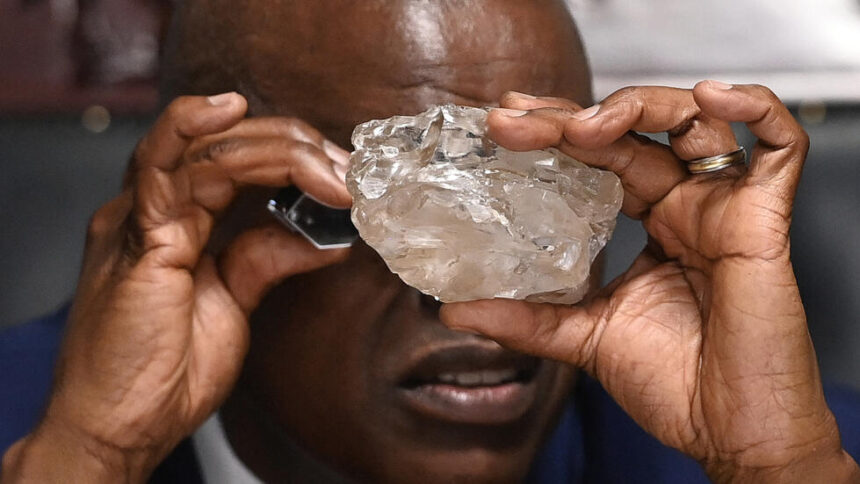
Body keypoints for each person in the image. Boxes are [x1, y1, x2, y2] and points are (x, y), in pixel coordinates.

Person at [2, 0, 860, 482]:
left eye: (534, 196)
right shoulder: (40, 434)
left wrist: (777, 466)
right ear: (203, 218)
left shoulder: (800, 444)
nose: (474, 300)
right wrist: (90, 459)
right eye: (362, 207)